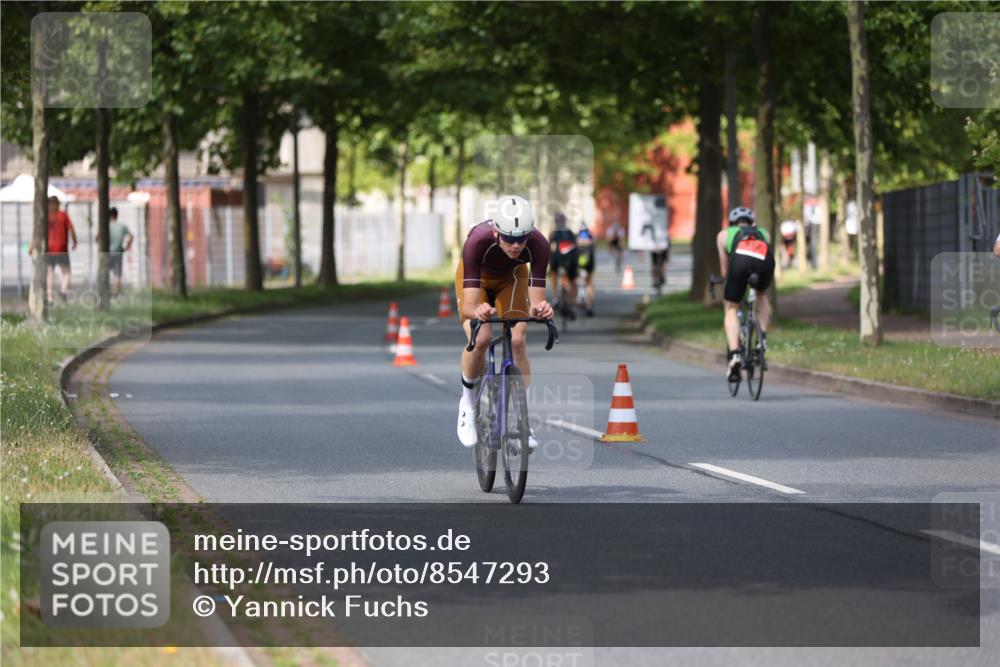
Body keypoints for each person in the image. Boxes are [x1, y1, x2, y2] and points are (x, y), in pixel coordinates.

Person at [455, 195, 553, 448]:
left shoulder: (539, 245)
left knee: (518, 339)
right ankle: (467, 403)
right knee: (482, 338)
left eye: (522, 238)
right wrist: (478, 311)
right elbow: (468, 306)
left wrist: (541, 310)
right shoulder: (477, 240)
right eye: (509, 238)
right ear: (497, 233)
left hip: (512, 278)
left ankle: (523, 420)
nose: (516, 245)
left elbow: (536, 301)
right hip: (477, 280)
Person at [716, 207, 775, 380]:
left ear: (731, 223)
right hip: (764, 263)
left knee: (731, 307)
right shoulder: (763, 232)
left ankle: (734, 353)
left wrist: (727, 283)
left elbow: (725, 270)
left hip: (739, 261)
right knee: (761, 294)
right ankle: (761, 337)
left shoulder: (723, 235)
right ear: (752, 223)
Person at [31, 196, 78, 304]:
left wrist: (32, 246)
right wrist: (75, 242)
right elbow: (71, 230)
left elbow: (37, 233)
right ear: (58, 204)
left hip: (49, 249)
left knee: (50, 274)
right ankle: (63, 290)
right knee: (66, 273)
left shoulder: (45, 217)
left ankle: (50, 297)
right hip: (61, 249)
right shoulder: (63, 215)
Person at [96, 207, 134, 296]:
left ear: (109, 215)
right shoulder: (122, 226)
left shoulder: (105, 226)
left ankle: (105, 291)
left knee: (105, 273)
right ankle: (116, 293)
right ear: (117, 215)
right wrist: (126, 247)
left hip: (106, 253)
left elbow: (97, 238)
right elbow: (131, 236)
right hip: (118, 253)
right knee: (117, 275)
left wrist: (101, 246)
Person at [547, 212, 578, 317]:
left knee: (554, 274)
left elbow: (548, 247)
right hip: (571, 260)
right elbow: (576, 247)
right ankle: (573, 303)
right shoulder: (570, 232)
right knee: (573, 280)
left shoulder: (554, 233)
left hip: (557, 259)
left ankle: (556, 297)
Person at [575, 222, 596, 316]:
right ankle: (589, 305)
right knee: (590, 282)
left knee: (577, 278)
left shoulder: (577, 236)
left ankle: (579, 298)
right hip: (589, 262)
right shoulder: (591, 236)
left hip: (579, 262)